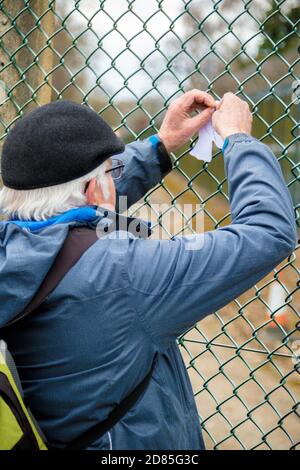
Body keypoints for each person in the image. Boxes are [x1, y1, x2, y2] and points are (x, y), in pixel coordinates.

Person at [0, 91, 296, 450]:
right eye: (113, 171)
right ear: (95, 187)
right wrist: (239, 140)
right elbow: (268, 232)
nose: (117, 176)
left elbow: (76, 200)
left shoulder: (11, 240)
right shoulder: (125, 272)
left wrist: (164, 144)